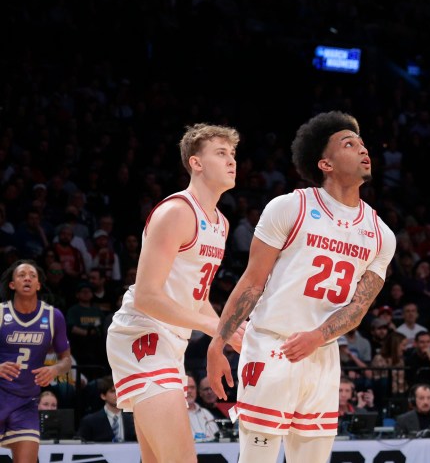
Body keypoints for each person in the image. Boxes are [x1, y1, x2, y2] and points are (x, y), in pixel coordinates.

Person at [207, 111, 396, 463]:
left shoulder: (381, 234)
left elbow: (358, 307)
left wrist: (319, 336)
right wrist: (218, 342)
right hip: (270, 344)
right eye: (349, 144)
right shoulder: (290, 207)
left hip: (322, 353)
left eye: (363, 144)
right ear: (325, 162)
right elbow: (252, 282)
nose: (363, 150)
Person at [106, 123, 240, 463]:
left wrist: (226, 335)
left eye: (233, 154)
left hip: (172, 341)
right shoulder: (177, 212)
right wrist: (214, 329)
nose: (232, 161)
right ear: (195, 163)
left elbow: (198, 298)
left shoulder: (221, 223)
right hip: (143, 333)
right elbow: (147, 296)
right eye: (221, 153)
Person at [0, 260, 72, 462]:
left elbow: (66, 359)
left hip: (26, 402)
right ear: (12, 284)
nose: (27, 278)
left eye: (32, 275)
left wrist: (55, 369)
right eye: (21, 275)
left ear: (39, 285)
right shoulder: (0, 313)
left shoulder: (52, 316)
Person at [78, 376, 136, 442]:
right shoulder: (89, 421)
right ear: (103, 396)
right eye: (113, 391)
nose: (117, 394)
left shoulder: (134, 420)